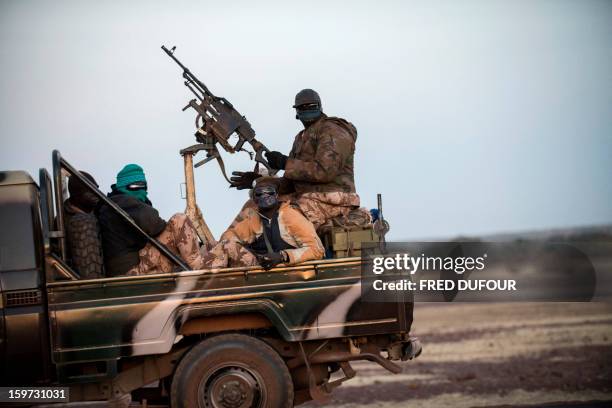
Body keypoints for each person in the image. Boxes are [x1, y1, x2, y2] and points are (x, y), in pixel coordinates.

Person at [230, 89, 361, 231]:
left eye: (311, 107)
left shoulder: (332, 130)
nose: (307, 111)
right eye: (302, 108)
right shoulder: (301, 138)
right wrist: (258, 182)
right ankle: (223, 249)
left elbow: (325, 171)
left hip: (334, 200)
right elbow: (291, 183)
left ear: (320, 107)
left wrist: (285, 163)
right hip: (305, 197)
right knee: (253, 206)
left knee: (278, 218)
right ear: (297, 112)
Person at [98, 164, 205, 276]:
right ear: (127, 186)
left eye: (145, 187)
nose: (143, 191)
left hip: (132, 266)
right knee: (179, 219)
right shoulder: (122, 202)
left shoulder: (114, 204)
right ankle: (198, 270)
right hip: (132, 272)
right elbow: (154, 224)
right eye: (137, 186)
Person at [204, 177, 325, 270]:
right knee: (217, 245)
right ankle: (204, 278)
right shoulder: (254, 218)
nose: (265, 196)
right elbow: (229, 237)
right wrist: (248, 250)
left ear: (277, 195)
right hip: (263, 269)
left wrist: (283, 256)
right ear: (254, 199)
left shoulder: (290, 216)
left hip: (291, 272)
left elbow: (317, 250)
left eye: (269, 192)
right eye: (259, 193)